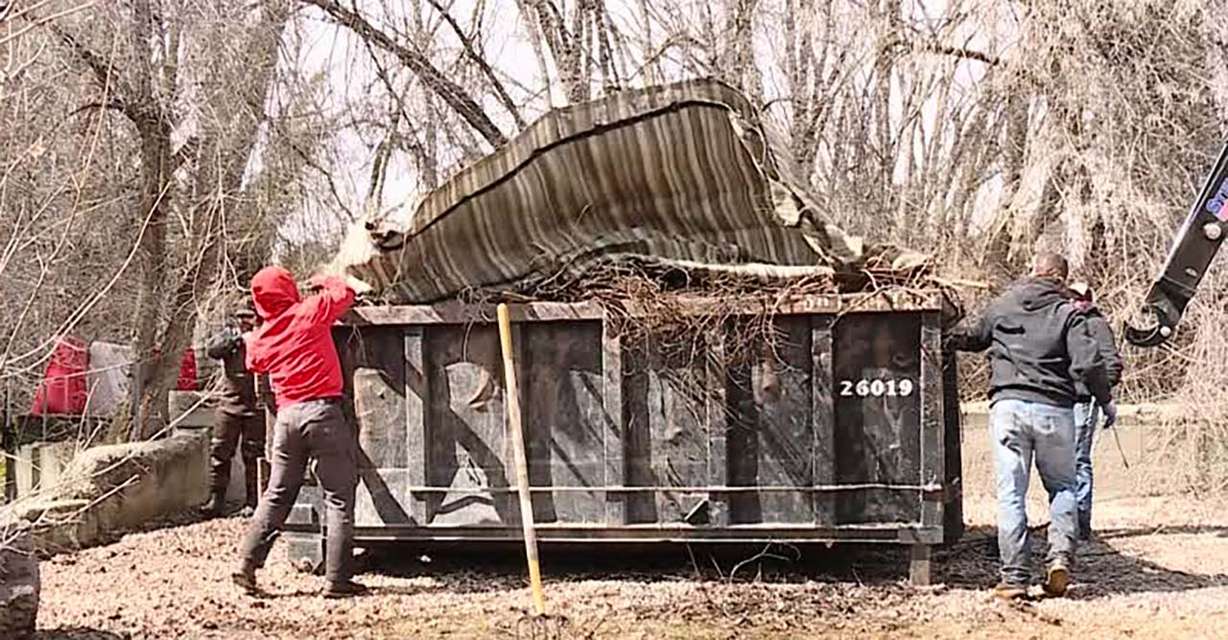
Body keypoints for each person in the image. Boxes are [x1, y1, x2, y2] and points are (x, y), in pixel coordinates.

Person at [949, 252, 1117, 600]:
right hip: (1054, 410)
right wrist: (1104, 399)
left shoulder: (1003, 304)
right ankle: (1058, 559)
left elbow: (972, 336)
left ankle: (1013, 579)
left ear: (1035, 272)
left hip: (1008, 407)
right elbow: (1088, 364)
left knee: (1011, 493)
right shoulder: (1070, 313)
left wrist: (938, 337)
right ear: (1061, 278)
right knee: (1063, 488)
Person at [232, 265, 370, 599]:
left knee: (277, 494)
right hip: (322, 413)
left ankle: (246, 566)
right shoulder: (309, 311)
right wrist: (325, 279)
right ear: (289, 289)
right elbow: (344, 294)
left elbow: (254, 362)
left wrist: (257, 329)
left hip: (287, 418)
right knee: (338, 497)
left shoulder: (263, 336)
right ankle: (337, 581)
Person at [1067, 282, 1124, 542]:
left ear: (1088, 300)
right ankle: (1067, 521)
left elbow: (1111, 363)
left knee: (1078, 461)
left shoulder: (1097, 325)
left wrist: (1100, 393)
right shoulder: (1061, 321)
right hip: (1060, 400)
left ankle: (1081, 523)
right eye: (1072, 297)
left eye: (1080, 297)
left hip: (1083, 401)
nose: (1076, 302)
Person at [201, 304, 268, 518]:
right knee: (219, 452)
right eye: (240, 317)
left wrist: (255, 337)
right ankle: (215, 500)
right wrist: (237, 339)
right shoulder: (230, 337)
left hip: (255, 405)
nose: (243, 321)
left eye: (248, 317)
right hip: (229, 404)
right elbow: (212, 350)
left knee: (253, 454)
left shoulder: (266, 335)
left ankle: (253, 501)